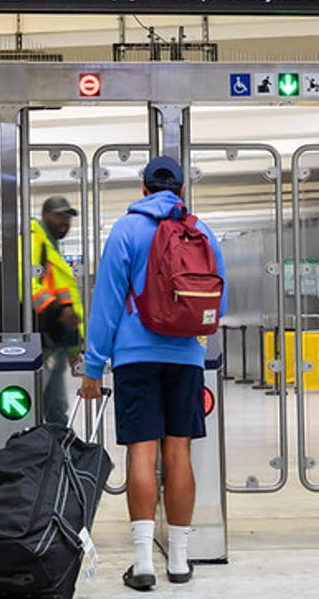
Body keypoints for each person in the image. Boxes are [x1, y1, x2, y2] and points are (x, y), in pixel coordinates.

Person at [80, 156, 226, 591]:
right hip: (185, 357)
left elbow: (106, 303)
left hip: (134, 358)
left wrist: (92, 366)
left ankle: (143, 563)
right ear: (181, 189)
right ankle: (179, 561)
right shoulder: (201, 231)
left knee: (142, 451)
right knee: (177, 451)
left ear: (143, 188)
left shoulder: (126, 230)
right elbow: (219, 300)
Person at [30, 195, 84, 425]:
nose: (65, 221)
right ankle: (30, 455)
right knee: (33, 407)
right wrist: (55, 310)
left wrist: (73, 348)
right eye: (59, 215)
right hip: (40, 340)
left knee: (56, 409)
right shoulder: (34, 241)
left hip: (56, 341)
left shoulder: (52, 249)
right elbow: (27, 285)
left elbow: (66, 301)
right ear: (44, 216)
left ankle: (56, 457)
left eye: (68, 217)